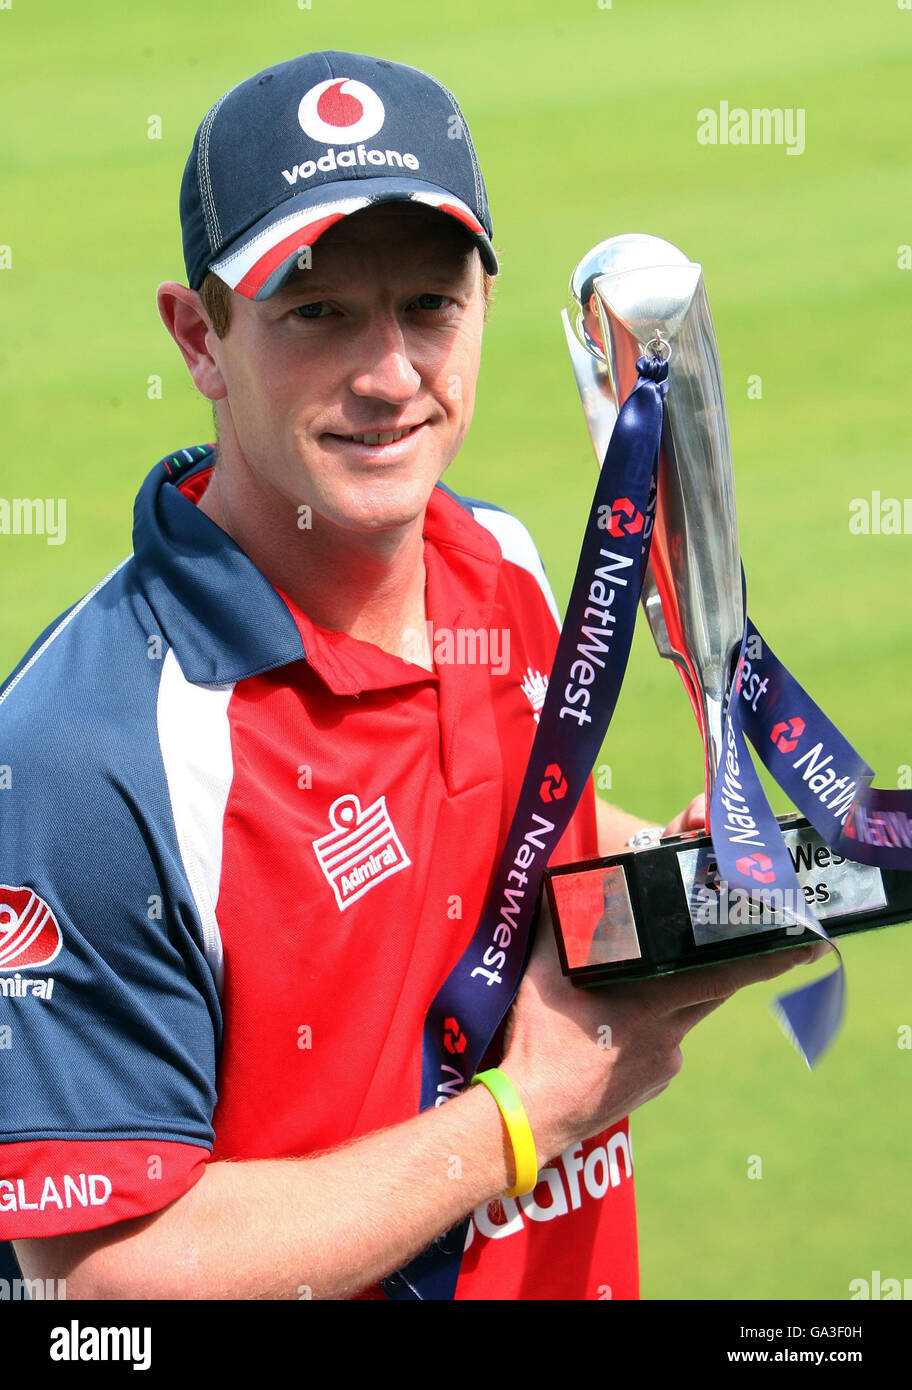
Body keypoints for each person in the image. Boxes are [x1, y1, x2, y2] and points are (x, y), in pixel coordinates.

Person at [0, 50, 821, 1301]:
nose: (389, 376)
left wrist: (701, 880)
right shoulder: (86, 754)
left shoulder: (502, 564)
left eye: (429, 306)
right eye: (315, 312)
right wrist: (525, 1116)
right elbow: (107, 1282)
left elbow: (516, 849)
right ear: (198, 336)